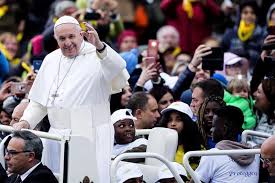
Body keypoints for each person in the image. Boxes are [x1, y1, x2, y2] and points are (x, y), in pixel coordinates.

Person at [13, 15, 129, 182]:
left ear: (81, 35)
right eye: (62, 38)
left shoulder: (98, 54)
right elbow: (40, 101)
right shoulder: (51, 60)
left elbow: (119, 73)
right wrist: (26, 121)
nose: (67, 42)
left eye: (71, 36)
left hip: (91, 134)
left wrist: (100, 46)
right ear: (56, 39)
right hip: (56, 136)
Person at [193, 106, 260, 183]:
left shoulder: (212, 155)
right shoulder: (255, 154)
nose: (211, 130)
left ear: (224, 129)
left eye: (213, 126)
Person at [159, 102, 201, 168]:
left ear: (187, 122)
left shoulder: (199, 149)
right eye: (169, 120)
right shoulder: (159, 145)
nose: (173, 123)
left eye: (178, 120)